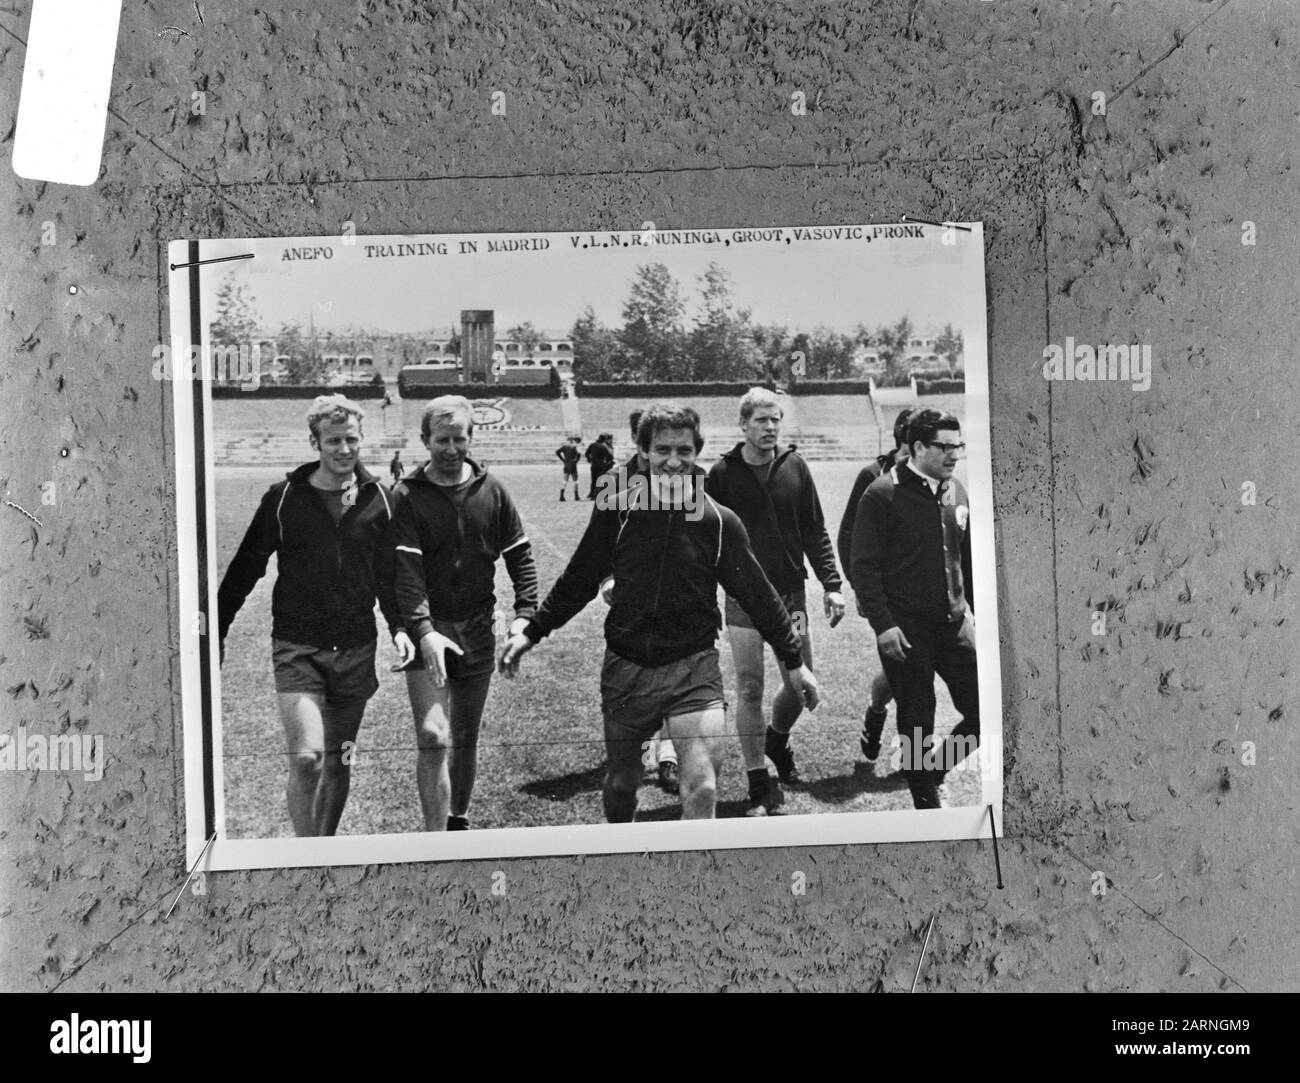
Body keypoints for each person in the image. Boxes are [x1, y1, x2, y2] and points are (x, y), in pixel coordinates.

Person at [500, 402, 819, 822]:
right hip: (627, 668)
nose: (673, 461)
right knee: (621, 787)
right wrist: (531, 632)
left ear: (696, 452)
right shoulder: (618, 510)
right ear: (644, 452)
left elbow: (759, 595)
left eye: (684, 451)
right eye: (663, 450)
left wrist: (795, 663)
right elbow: (579, 578)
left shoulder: (718, 521)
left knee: (703, 788)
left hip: (694, 669)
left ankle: (689, 885)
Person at [217, 394, 412, 837]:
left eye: (351, 440)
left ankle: (325, 849)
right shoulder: (283, 499)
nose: (343, 450)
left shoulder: (381, 497)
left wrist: (400, 628)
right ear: (315, 443)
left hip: (356, 648)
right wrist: (216, 632)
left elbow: (388, 576)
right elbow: (245, 568)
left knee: (340, 762)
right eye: (333, 441)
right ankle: (303, 856)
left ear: (361, 440)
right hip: (297, 646)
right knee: (308, 758)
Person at [391, 395, 538, 831]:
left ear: (472, 437)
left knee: (466, 736)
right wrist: (421, 630)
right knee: (434, 736)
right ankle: (435, 839)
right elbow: (407, 575)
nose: (451, 449)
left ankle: (458, 821)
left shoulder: (493, 491)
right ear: (424, 441)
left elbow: (521, 558)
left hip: (477, 629)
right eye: (442, 440)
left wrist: (524, 615)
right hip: (429, 632)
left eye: (459, 439)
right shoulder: (407, 495)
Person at [705, 388, 845, 815]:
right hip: (744, 597)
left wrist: (832, 583)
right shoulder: (721, 474)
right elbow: (707, 540)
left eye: (775, 420)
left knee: (800, 686)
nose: (770, 428)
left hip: (790, 596)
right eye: (761, 420)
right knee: (749, 687)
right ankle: (757, 781)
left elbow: (815, 530)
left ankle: (776, 741)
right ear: (743, 425)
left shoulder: (795, 466)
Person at [850, 408, 978, 809]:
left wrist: (981, 617)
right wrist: (883, 626)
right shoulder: (882, 494)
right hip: (906, 632)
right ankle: (926, 799)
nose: (954, 454)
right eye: (945, 446)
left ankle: (932, 770)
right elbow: (864, 567)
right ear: (919, 447)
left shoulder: (956, 489)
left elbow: (968, 561)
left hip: (953, 626)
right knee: (918, 716)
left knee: (986, 711)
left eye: (958, 446)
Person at [598, 409, 677, 794]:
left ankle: (668, 756)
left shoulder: (686, 480)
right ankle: (645, 745)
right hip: (630, 599)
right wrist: (607, 578)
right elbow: (600, 543)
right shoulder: (613, 482)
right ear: (637, 440)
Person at [836, 408, 914, 764]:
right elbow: (847, 535)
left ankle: (881, 719)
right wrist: (860, 589)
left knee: (911, 667)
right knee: (908, 668)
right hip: (884, 593)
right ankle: (909, 754)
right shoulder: (871, 475)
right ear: (904, 438)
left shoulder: (935, 478)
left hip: (921, 590)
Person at [584, 431, 616, 500]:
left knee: (593, 480)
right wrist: (607, 463)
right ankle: (596, 495)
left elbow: (586, 453)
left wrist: (589, 460)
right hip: (601, 466)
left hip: (593, 465)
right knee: (599, 480)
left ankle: (592, 494)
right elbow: (609, 456)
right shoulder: (602, 447)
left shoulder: (592, 445)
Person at [555, 435, 581, 501]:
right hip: (573, 465)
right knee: (575, 481)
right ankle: (576, 495)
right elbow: (579, 454)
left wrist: (563, 459)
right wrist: (577, 460)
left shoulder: (565, 446)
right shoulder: (575, 446)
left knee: (565, 481)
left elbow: (557, 452)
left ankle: (562, 495)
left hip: (566, 464)